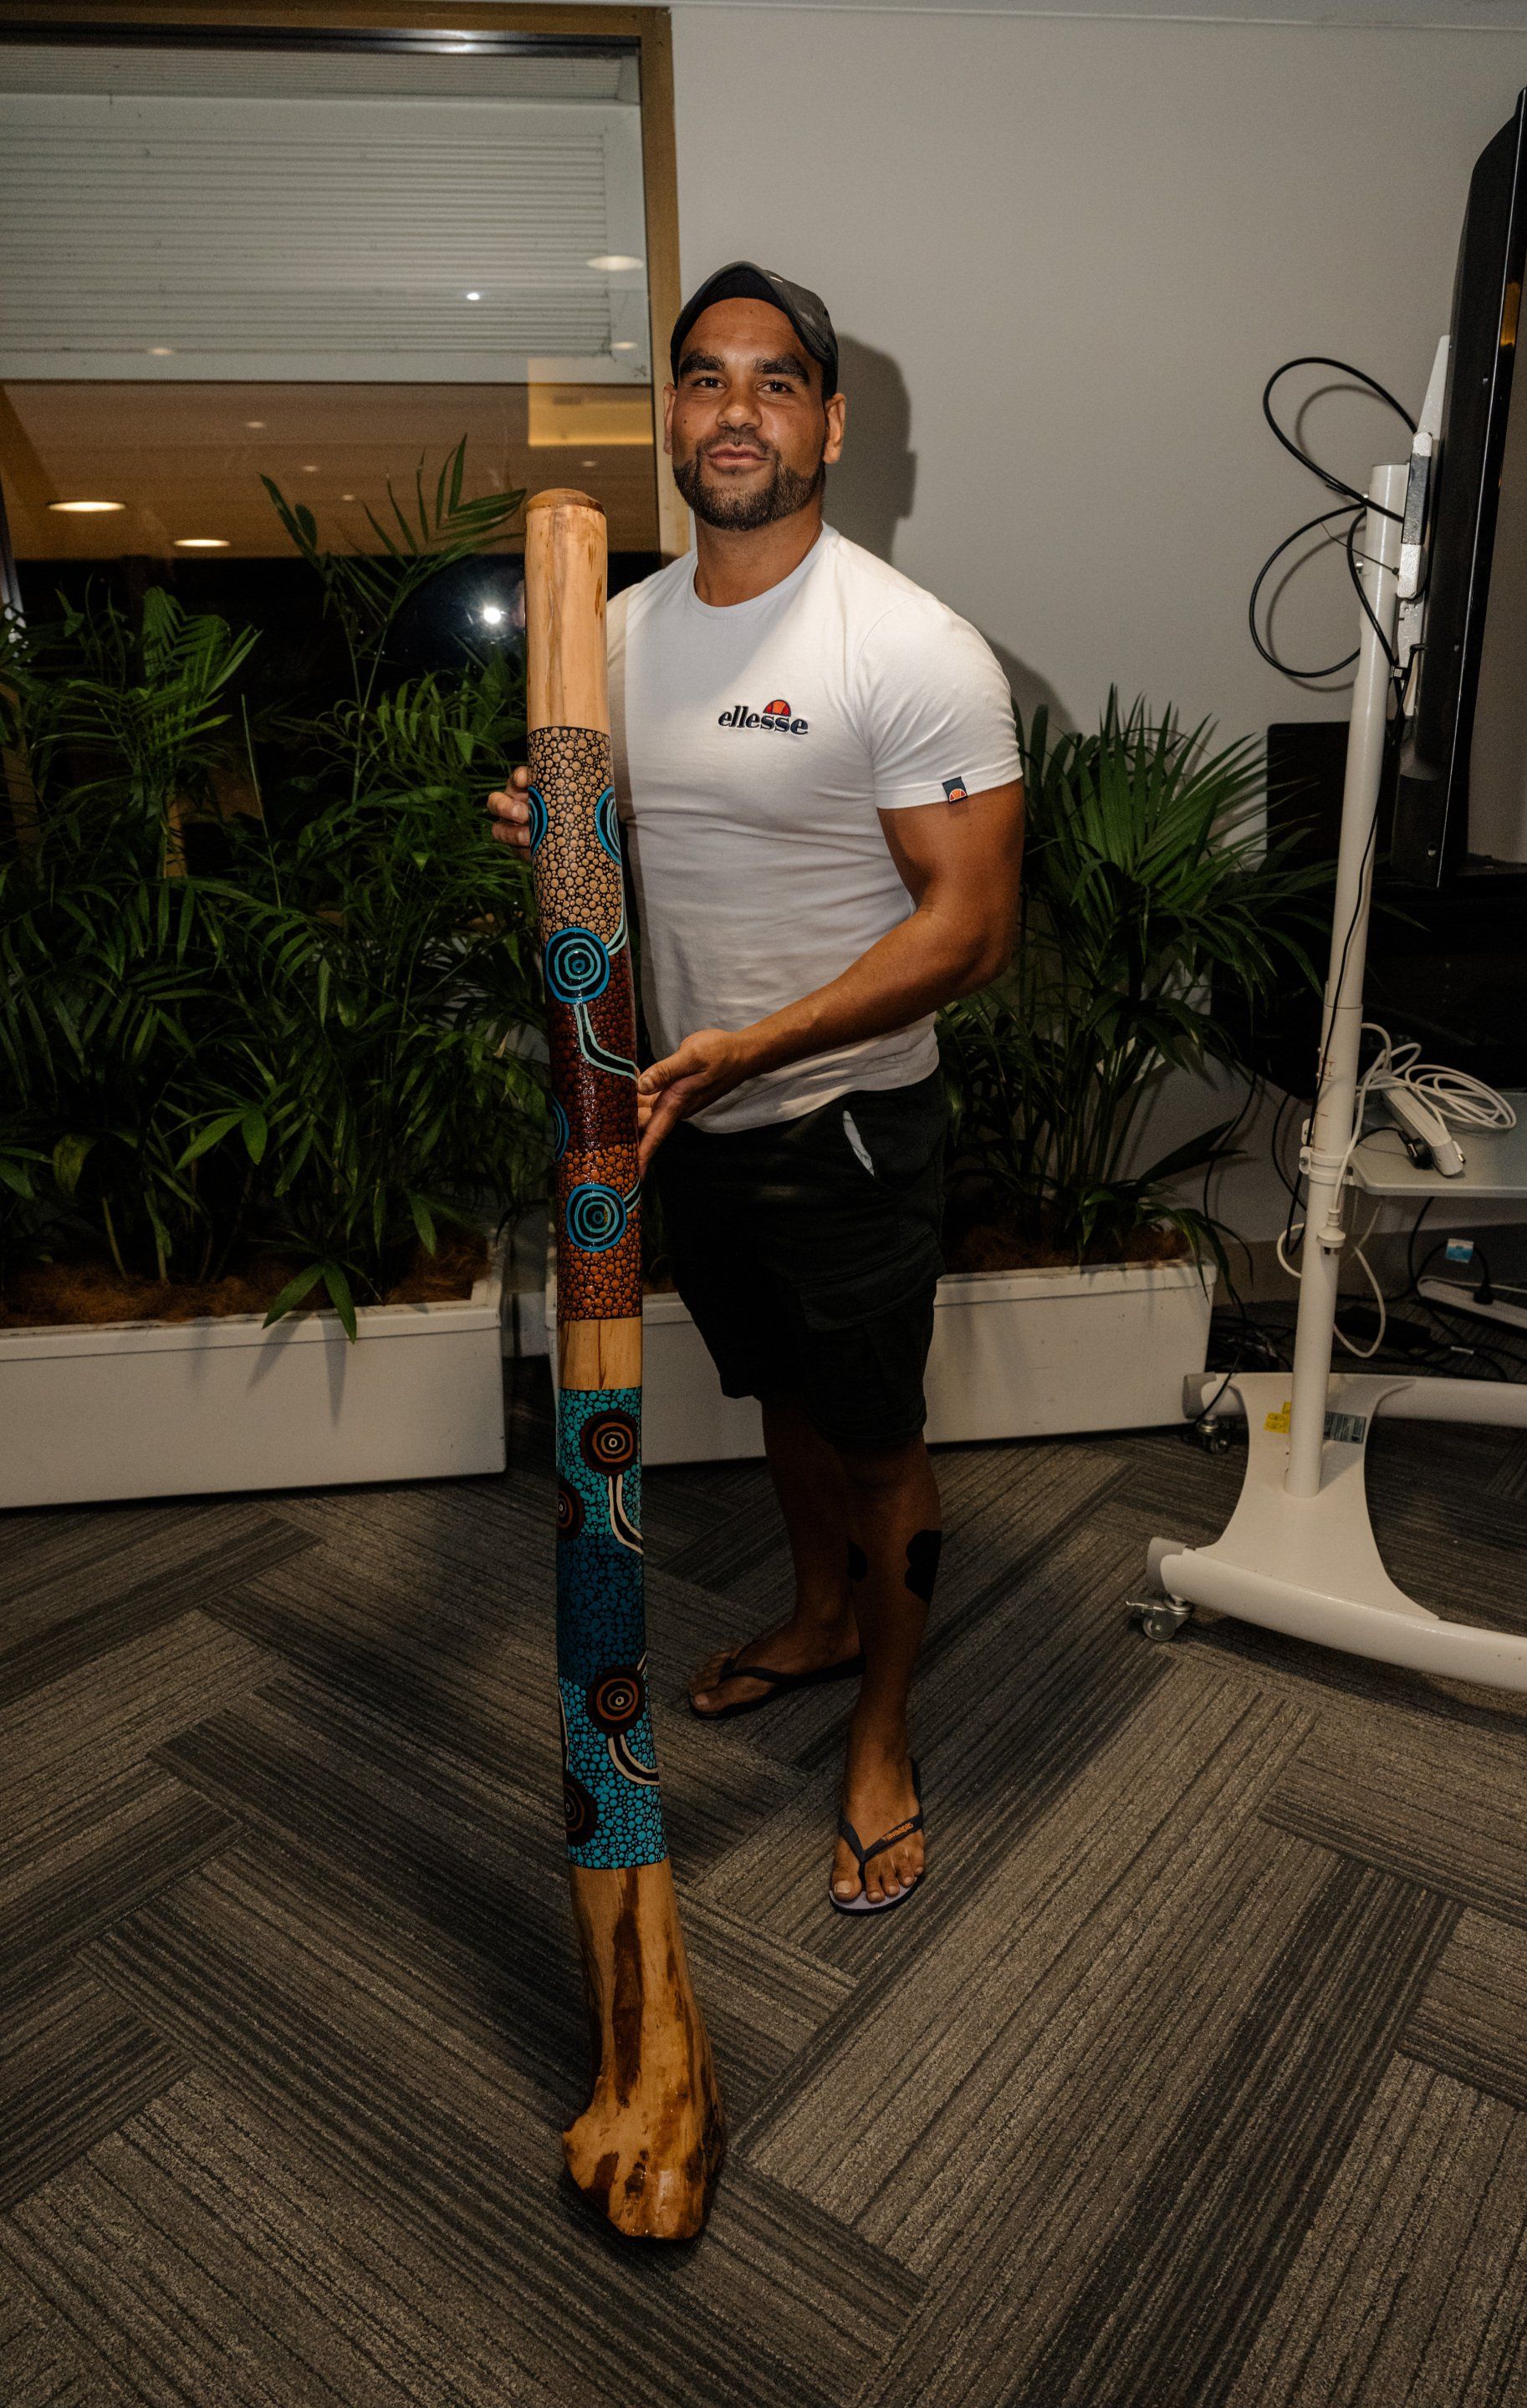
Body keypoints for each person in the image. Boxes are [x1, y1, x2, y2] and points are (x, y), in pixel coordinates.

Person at [488, 261, 1023, 1912]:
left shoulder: (908, 648)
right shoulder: (621, 635)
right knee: (780, 1401)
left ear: (833, 423)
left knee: (875, 1440)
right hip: (685, 1112)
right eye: (705, 379)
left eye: (775, 381)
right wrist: (566, 836)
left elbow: (972, 931)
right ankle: (816, 1615)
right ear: (671, 414)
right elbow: (671, 851)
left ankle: (881, 1728)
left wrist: (753, 1047)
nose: (735, 409)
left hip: (846, 1119)